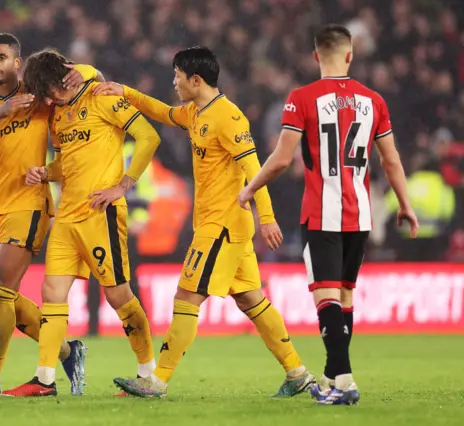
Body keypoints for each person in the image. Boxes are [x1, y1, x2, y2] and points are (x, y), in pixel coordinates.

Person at [95, 46, 314, 398]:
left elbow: (254, 170)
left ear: (195, 80)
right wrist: (127, 92)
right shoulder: (197, 113)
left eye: (178, 77)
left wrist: (268, 219)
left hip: (221, 227)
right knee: (251, 300)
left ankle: (157, 380)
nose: (174, 82)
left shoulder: (229, 118)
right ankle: (297, 372)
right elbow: (165, 113)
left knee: (186, 296)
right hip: (223, 226)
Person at [238, 24, 420, 405]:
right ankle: (331, 377)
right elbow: (391, 160)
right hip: (361, 217)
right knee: (344, 298)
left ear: (316, 55)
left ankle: (345, 382)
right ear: (350, 55)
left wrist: (251, 188)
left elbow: (282, 159)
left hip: (322, 214)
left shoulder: (302, 98)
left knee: (326, 298)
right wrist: (404, 205)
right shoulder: (374, 100)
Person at [0, 33, 100, 397]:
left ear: (18, 63)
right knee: (3, 297)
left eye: (1, 57)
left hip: (30, 203)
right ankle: (67, 350)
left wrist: (87, 71)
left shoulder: (40, 100)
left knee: (1, 283)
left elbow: (83, 78)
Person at [1, 49, 160, 397]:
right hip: (67, 217)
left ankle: (149, 374)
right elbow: (65, 165)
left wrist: (123, 185)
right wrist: (46, 173)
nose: (48, 100)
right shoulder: (59, 116)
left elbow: (149, 137)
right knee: (51, 293)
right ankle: (44, 379)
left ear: (61, 81)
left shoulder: (101, 97)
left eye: (49, 92)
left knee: (119, 296)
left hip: (100, 215)